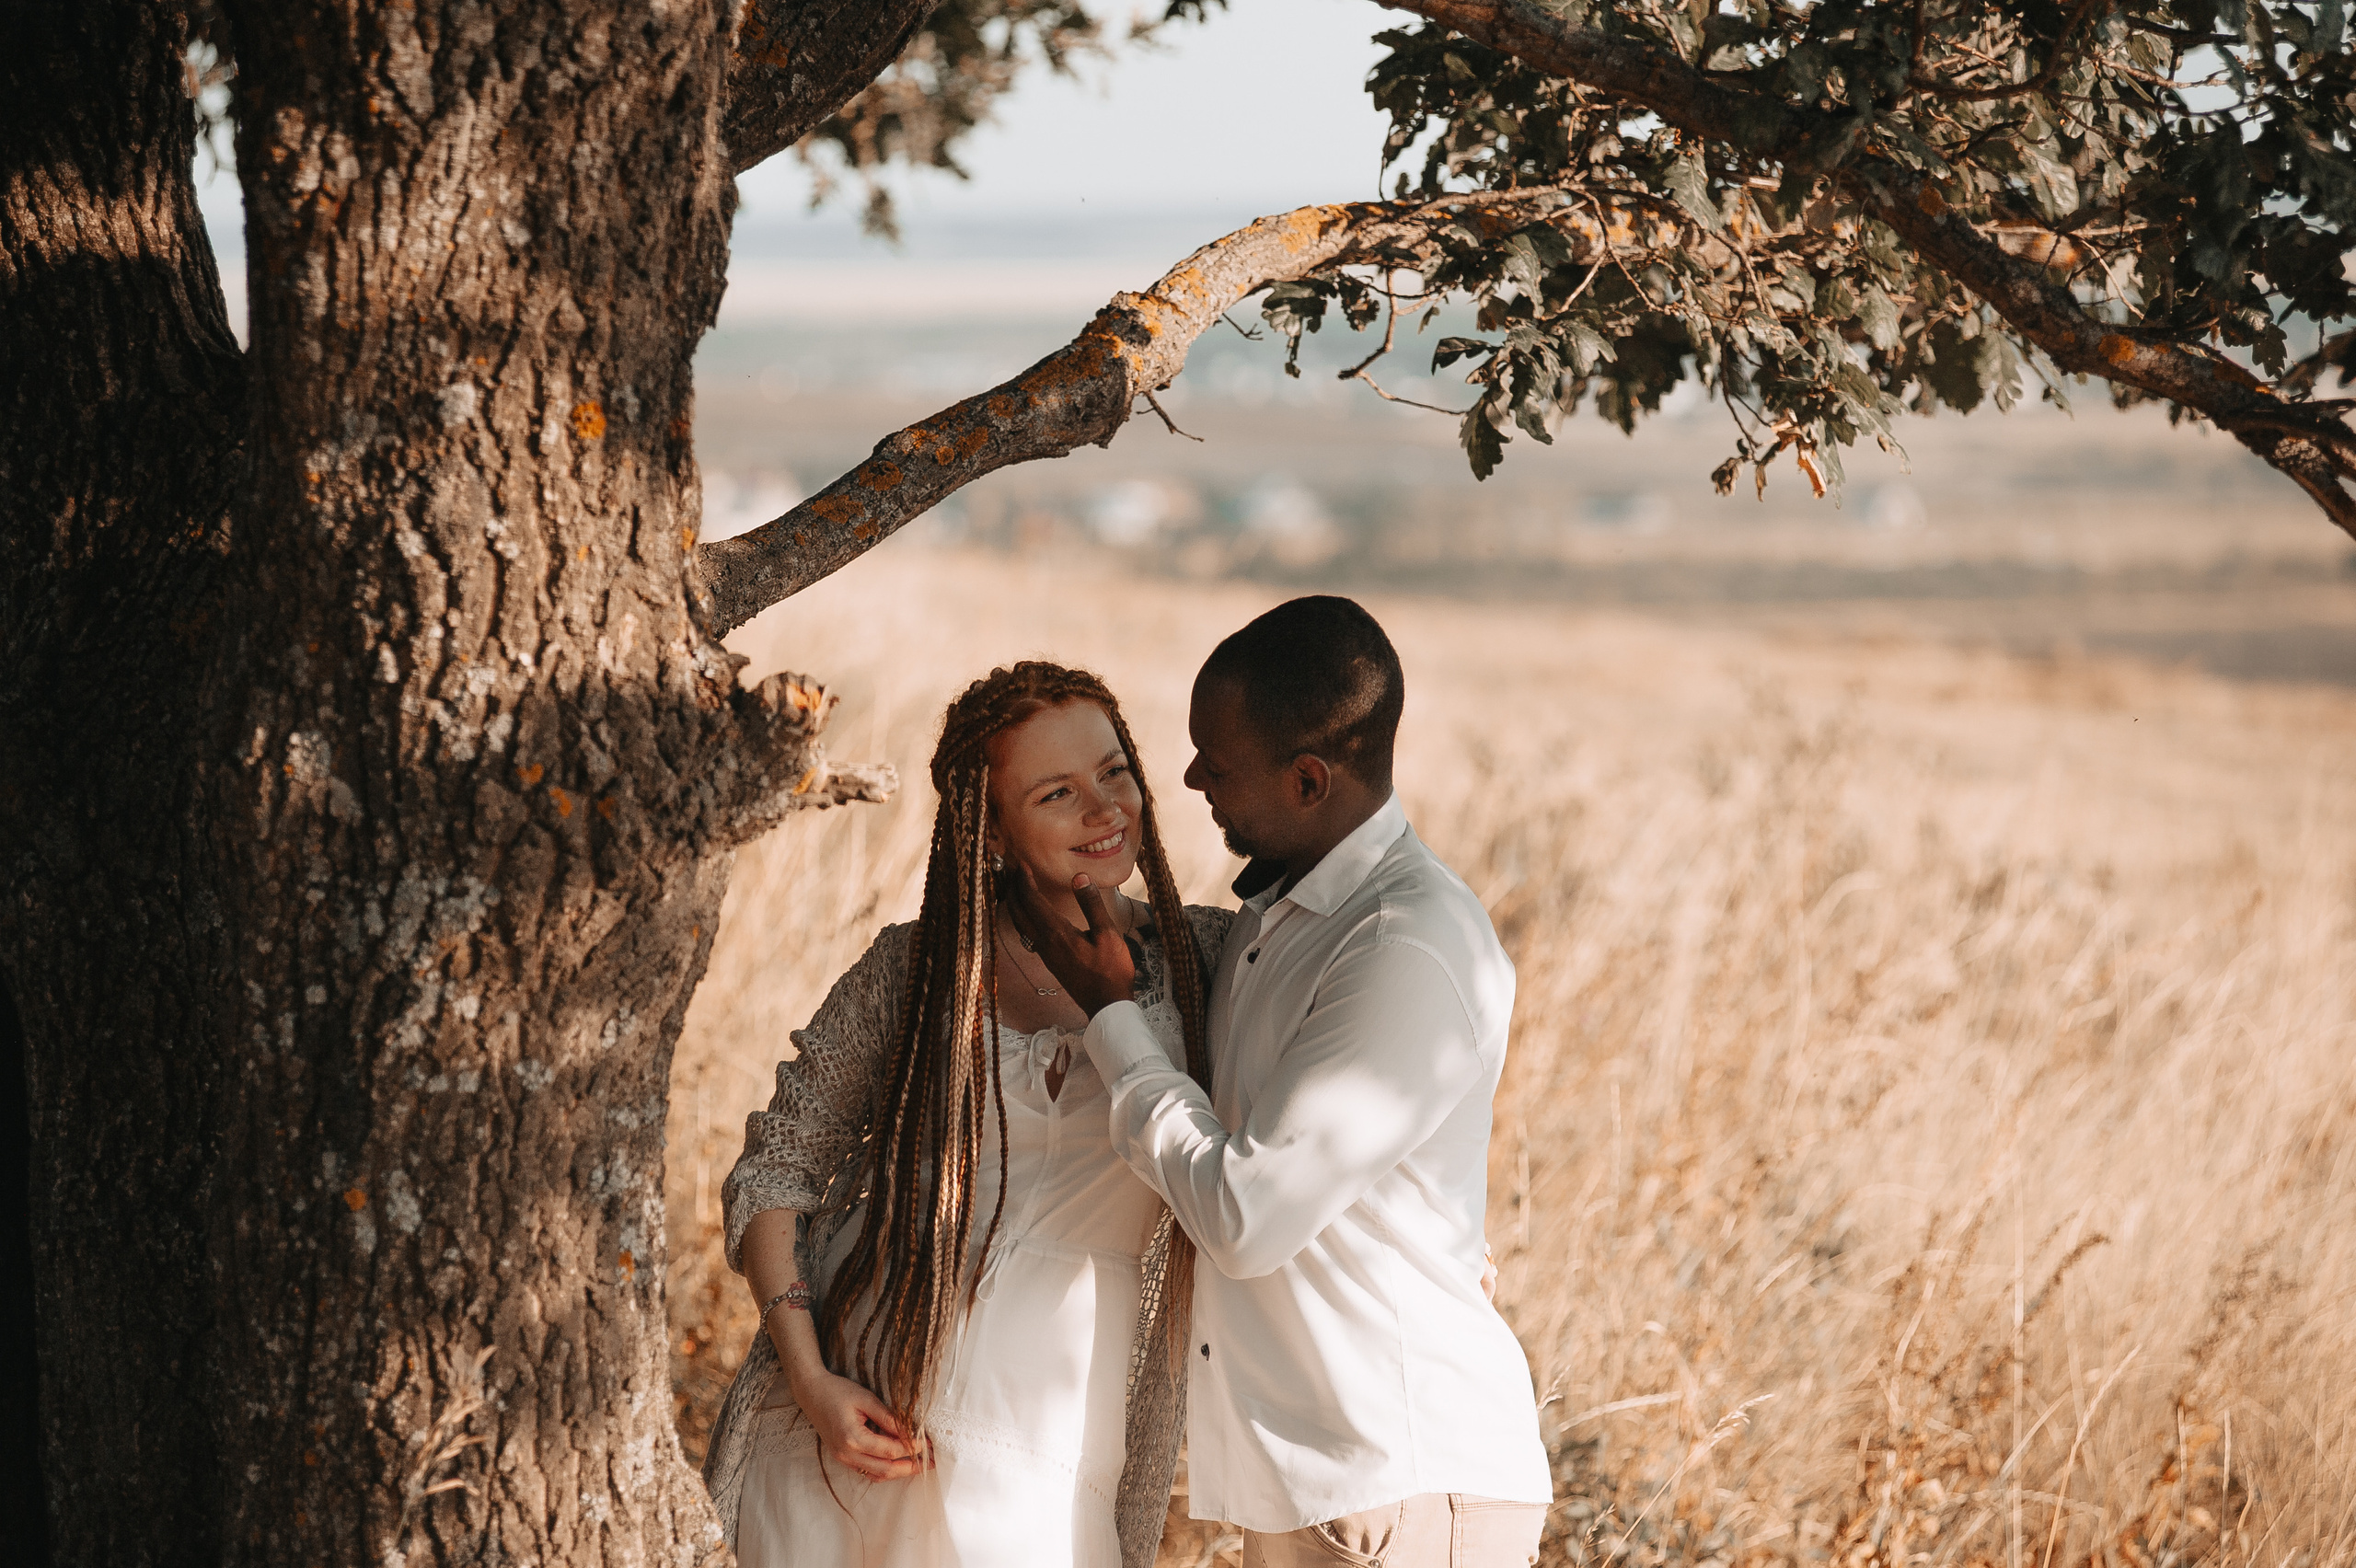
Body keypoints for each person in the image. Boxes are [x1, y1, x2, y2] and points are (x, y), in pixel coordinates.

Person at [1013, 596, 1554, 1568]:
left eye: (1214, 765)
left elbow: (1245, 1217)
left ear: (1309, 779)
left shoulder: (1402, 945)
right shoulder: (1277, 917)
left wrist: (1112, 1022)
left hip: (1400, 1485)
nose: (1187, 780)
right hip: (1329, 1485)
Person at [702, 663, 1233, 1568]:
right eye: (1058, 792)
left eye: (1115, 772)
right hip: (851, 1434)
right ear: (989, 832)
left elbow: (1302, 1142)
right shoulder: (914, 971)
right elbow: (776, 1170)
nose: (1105, 809)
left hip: (1054, 1443)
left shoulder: (1210, 962)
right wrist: (810, 1376)